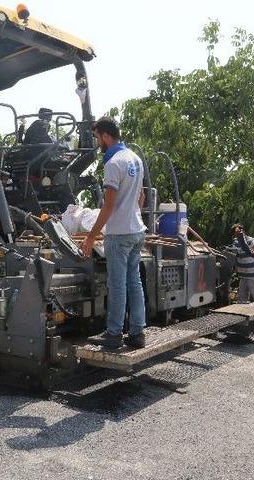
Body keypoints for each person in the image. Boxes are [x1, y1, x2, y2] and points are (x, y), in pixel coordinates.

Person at [81, 117, 147, 349]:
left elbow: (108, 206)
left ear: (106, 136)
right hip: (137, 230)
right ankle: (138, 334)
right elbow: (141, 197)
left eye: (97, 137)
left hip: (119, 234)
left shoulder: (113, 163)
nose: (97, 142)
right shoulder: (135, 158)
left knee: (117, 285)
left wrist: (91, 236)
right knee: (134, 282)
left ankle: (114, 333)